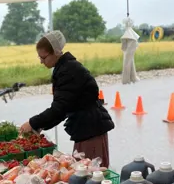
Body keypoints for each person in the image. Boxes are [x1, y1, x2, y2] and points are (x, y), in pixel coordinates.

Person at [20, 31, 114, 167]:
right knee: (83, 174)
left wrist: (32, 123)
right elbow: (64, 109)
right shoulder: (64, 68)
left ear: (55, 52)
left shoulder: (69, 71)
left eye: (43, 57)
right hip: (85, 129)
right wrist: (39, 126)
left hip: (91, 130)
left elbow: (60, 107)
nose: (41, 61)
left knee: (92, 176)